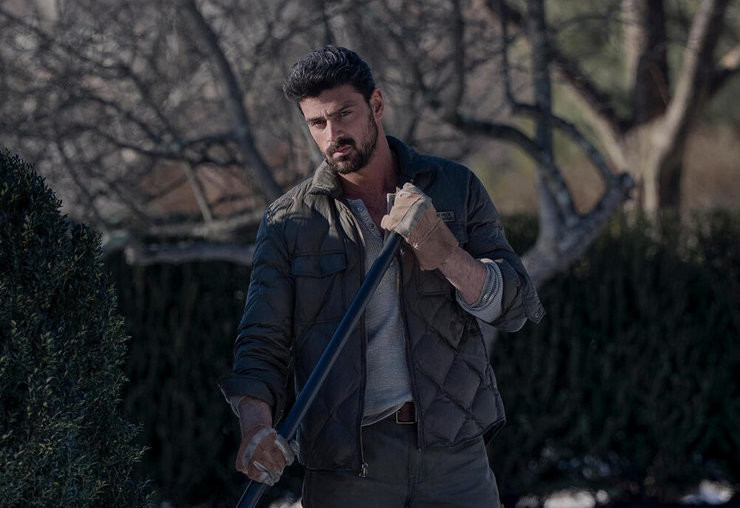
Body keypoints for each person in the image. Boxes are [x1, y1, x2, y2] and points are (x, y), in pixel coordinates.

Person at [219, 46, 544, 508]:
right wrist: (256, 428)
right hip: (348, 466)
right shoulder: (289, 222)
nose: (333, 134)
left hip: (454, 453)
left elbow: (514, 305)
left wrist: (447, 253)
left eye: (343, 114)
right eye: (317, 123)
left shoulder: (453, 187)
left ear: (376, 104)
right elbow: (261, 342)